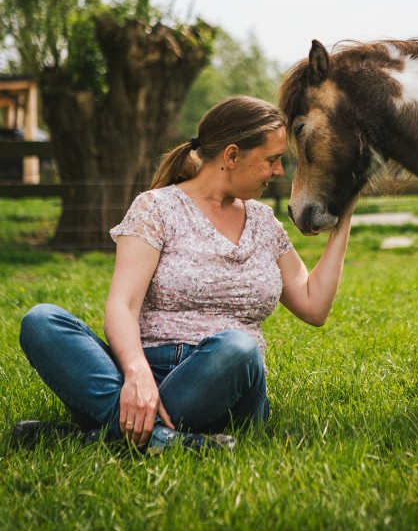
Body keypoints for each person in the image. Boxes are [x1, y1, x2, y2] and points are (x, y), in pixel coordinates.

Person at [15, 96, 356, 454]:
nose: (278, 172)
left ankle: (110, 432)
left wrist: (344, 217)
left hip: (227, 380)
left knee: (239, 346)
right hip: (148, 368)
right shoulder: (156, 208)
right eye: (271, 160)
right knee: (42, 321)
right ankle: (166, 439)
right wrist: (137, 373)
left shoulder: (263, 222)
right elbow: (123, 305)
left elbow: (314, 306)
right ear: (232, 156)